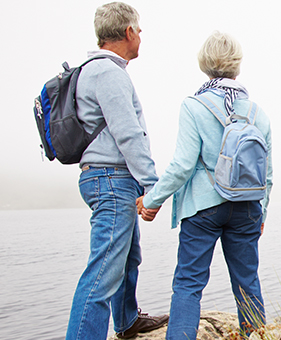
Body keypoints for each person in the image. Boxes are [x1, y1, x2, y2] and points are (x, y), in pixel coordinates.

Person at [137, 31, 273, 340]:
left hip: (203, 207)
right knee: (247, 282)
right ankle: (256, 336)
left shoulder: (194, 106)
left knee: (188, 283)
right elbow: (267, 174)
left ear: (204, 64)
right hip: (247, 207)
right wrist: (261, 214)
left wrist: (153, 200)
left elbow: (183, 165)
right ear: (237, 64)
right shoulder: (257, 113)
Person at [66, 2, 169, 340]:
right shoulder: (109, 73)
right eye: (138, 31)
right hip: (111, 179)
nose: (141, 36)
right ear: (128, 33)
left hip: (106, 177)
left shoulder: (90, 70)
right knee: (102, 273)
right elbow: (128, 134)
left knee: (126, 256)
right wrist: (153, 188)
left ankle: (126, 321)